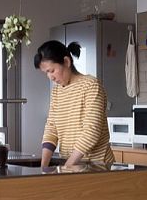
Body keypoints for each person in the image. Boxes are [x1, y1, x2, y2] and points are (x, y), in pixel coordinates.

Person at [34, 40, 114, 170]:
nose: (50, 77)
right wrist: (43, 168)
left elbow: (91, 131)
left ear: (66, 62)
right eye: (46, 73)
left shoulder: (91, 85)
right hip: (71, 165)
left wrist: (68, 165)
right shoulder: (57, 90)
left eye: (52, 70)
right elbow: (51, 128)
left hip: (96, 166)